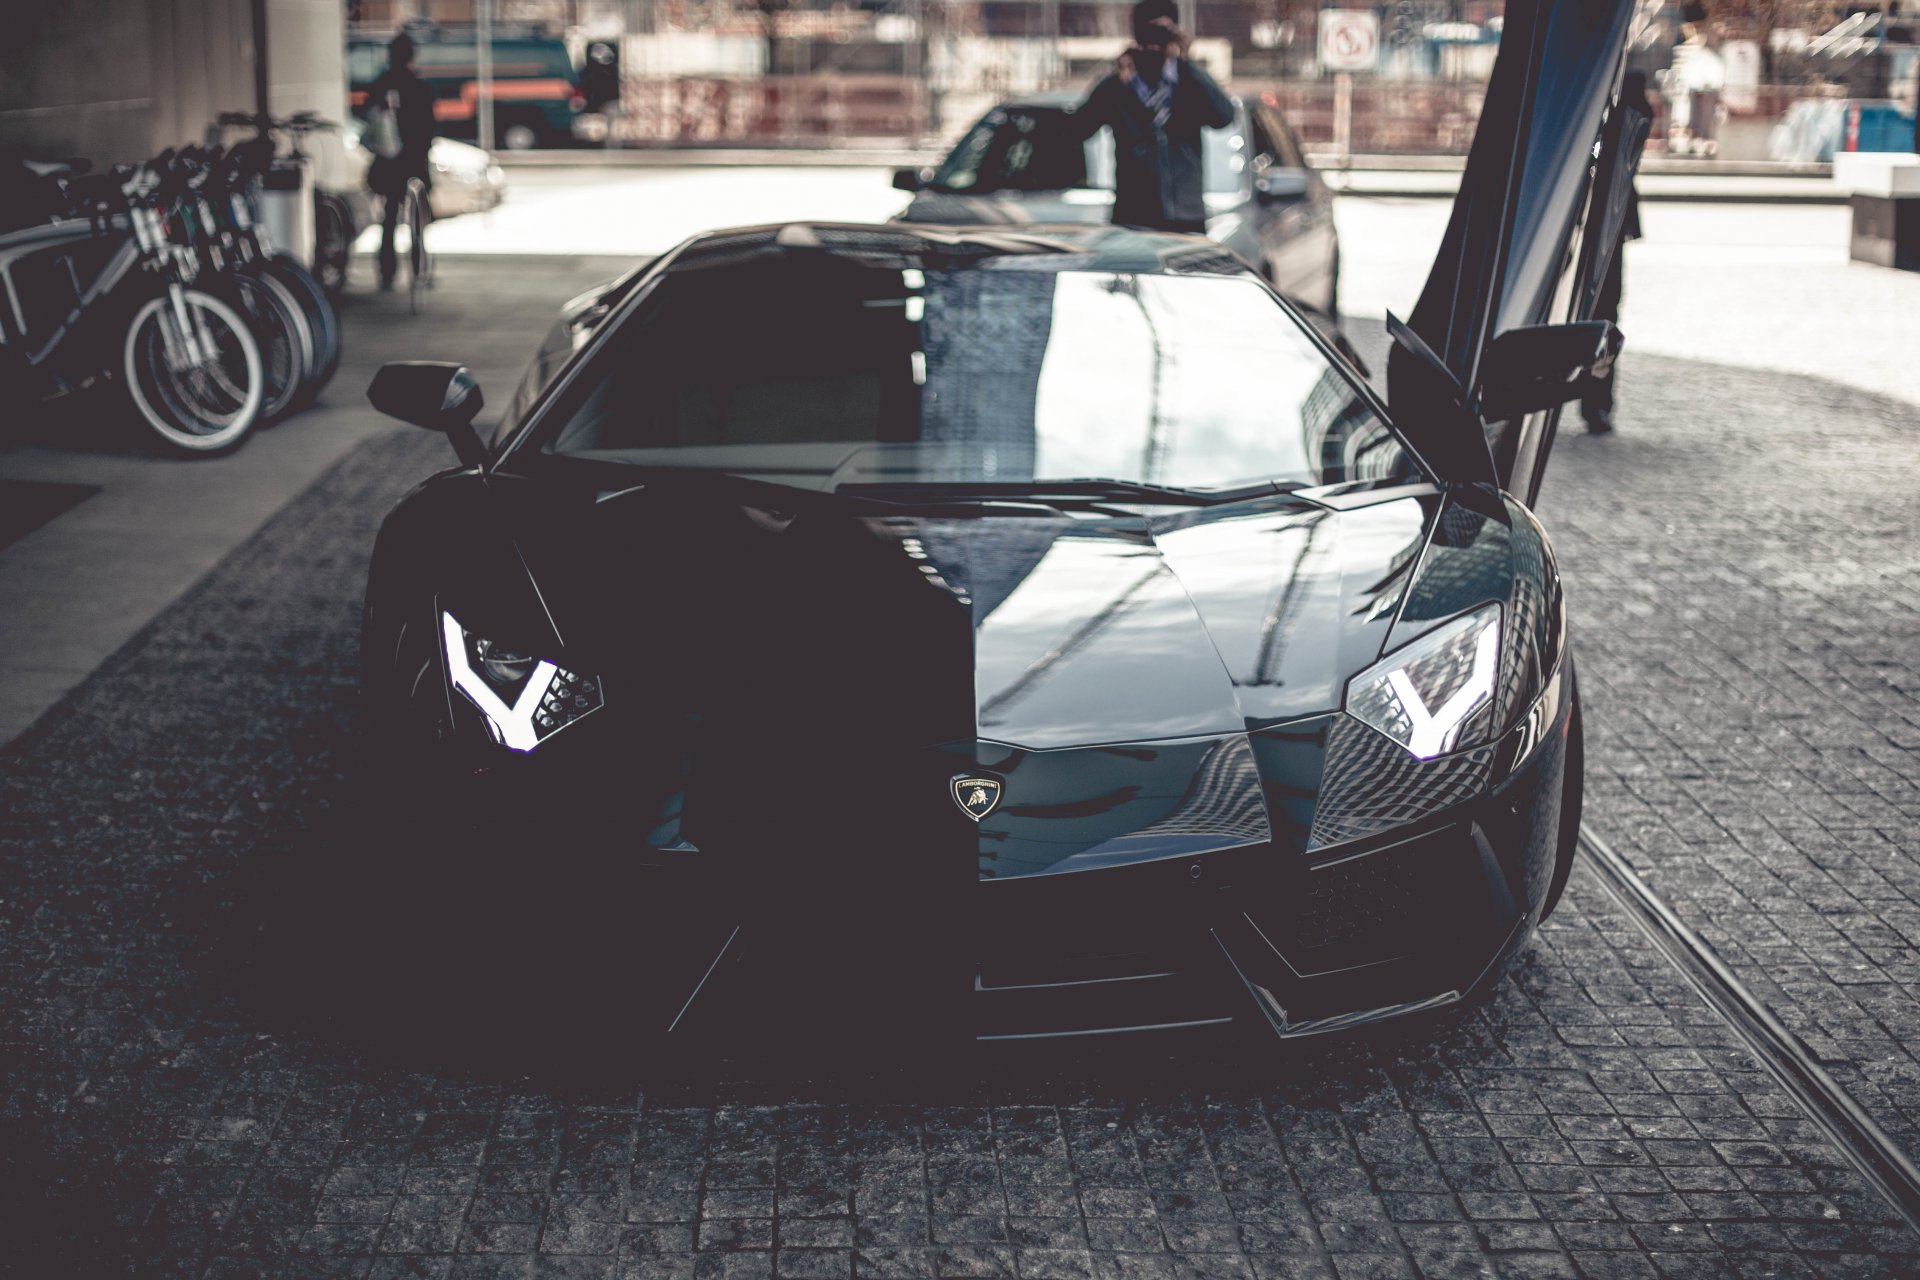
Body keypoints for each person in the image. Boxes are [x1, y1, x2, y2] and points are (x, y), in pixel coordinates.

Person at [1073, 0, 1234, 233]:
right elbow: (1080, 129)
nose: (1154, 43)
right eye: (1147, 32)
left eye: (1162, 32)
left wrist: (1187, 63)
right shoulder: (1119, 85)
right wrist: (1112, 81)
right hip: (1134, 217)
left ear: (1175, 33)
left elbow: (1224, 117)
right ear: (1136, 35)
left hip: (1186, 217)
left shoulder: (1188, 82)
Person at [1583, 70, 1649, 434]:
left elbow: (1623, 146)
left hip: (1605, 220)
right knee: (1599, 310)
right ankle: (1592, 398)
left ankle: (1597, 399)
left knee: (1604, 311)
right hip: (1591, 219)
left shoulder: (1625, 101)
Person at [365, 33, 436, 290]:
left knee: (390, 217)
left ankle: (387, 271)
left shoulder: (381, 85)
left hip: (388, 162)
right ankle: (420, 270)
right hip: (413, 161)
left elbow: (369, 123)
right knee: (417, 218)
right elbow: (428, 128)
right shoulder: (419, 87)